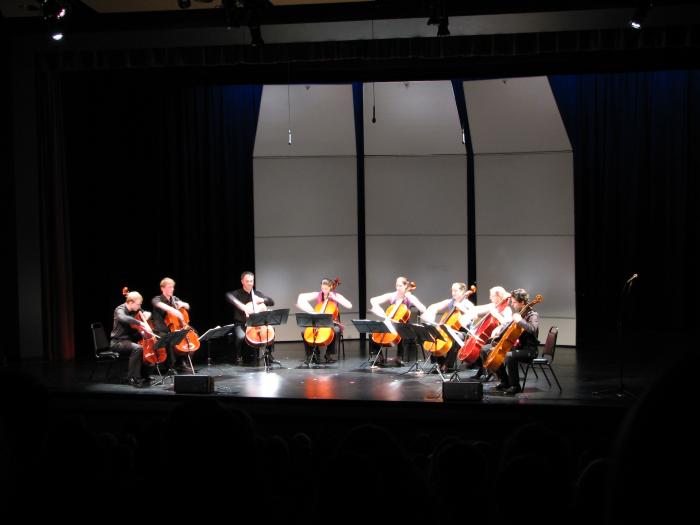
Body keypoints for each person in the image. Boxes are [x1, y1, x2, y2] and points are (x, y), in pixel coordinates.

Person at [479, 288, 539, 395]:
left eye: (514, 302)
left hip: (529, 350)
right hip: (517, 347)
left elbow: (532, 329)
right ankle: (504, 381)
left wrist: (520, 321)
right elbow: (509, 328)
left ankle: (515, 386)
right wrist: (498, 336)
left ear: (522, 302)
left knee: (509, 356)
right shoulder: (520, 313)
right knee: (485, 350)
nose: (512, 304)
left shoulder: (532, 315)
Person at [369, 276, 427, 366]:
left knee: (402, 332)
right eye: (397, 285)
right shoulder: (392, 295)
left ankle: (399, 358)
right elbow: (373, 300)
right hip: (390, 322)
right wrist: (379, 310)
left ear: (405, 286)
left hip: (403, 324)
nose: (398, 288)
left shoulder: (409, 297)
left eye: (400, 286)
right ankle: (380, 358)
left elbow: (423, 309)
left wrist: (411, 298)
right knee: (373, 335)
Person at [296, 278, 353, 364]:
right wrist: (309, 309)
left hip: (332, 322)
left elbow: (349, 306)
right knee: (304, 332)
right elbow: (301, 297)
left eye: (326, 289)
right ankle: (311, 354)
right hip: (318, 322)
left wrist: (335, 298)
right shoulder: (318, 294)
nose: (324, 291)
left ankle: (328, 354)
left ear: (330, 287)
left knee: (336, 330)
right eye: (322, 288)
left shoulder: (336, 295)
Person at [423, 282, 476, 373]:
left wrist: (462, 308)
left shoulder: (467, 303)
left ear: (463, 291)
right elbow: (434, 307)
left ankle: (448, 365)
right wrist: (429, 313)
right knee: (434, 336)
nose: (453, 293)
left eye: (456, 290)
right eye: (452, 290)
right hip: (450, 330)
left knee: (455, 338)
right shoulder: (451, 301)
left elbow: (474, 316)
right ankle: (441, 362)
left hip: (464, 332)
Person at [225, 271, 275, 364]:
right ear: (242, 281)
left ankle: (269, 354)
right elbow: (228, 296)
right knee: (240, 337)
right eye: (247, 281)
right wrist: (243, 307)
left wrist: (261, 300)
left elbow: (271, 302)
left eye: (251, 281)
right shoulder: (237, 293)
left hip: (257, 323)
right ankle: (238, 356)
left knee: (271, 332)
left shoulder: (257, 294)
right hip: (241, 323)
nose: (249, 283)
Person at [109, 290, 153, 388]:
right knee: (138, 348)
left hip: (129, 340)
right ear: (131, 302)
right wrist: (140, 323)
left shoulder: (135, 309)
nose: (139, 306)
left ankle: (144, 375)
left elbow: (145, 312)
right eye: (138, 304)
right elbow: (124, 318)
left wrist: (147, 314)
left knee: (145, 347)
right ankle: (133, 378)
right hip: (118, 342)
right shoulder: (119, 310)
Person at [469, 286, 512, 380]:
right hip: (492, 337)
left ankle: (490, 372)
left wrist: (496, 314)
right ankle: (483, 370)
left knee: (482, 349)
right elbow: (479, 309)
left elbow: (507, 323)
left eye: (492, 296)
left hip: (499, 338)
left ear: (499, 296)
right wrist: (471, 312)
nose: (490, 298)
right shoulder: (495, 306)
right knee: (477, 347)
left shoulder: (507, 308)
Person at [151, 277, 191, 374]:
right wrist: (176, 312)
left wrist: (182, 304)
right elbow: (162, 306)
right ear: (162, 288)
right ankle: (171, 367)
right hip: (161, 329)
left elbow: (188, 306)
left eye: (172, 287)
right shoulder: (157, 299)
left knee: (191, 334)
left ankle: (182, 363)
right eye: (169, 287)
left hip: (174, 327)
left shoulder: (174, 298)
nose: (172, 289)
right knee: (169, 338)